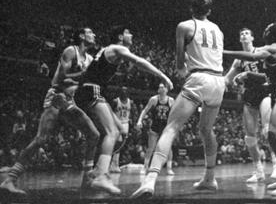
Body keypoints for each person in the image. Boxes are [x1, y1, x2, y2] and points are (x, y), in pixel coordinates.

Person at [132, 0, 225, 198]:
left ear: (191, 9)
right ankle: (210, 178)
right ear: (209, 11)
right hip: (219, 81)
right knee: (206, 130)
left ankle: (150, 180)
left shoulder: (184, 26)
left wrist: (183, 71)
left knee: (171, 127)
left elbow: (179, 62)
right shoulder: (218, 29)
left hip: (199, 78)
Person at [0, 27, 101, 195]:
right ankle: (10, 180)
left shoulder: (90, 58)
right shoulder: (71, 51)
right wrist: (84, 75)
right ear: (82, 36)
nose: (94, 35)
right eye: (90, 32)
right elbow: (60, 78)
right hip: (57, 96)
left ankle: (87, 180)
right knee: (41, 139)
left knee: (94, 134)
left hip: (70, 100)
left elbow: (83, 82)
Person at [75, 25, 173, 195]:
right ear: (120, 37)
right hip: (92, 89)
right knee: (112, 132)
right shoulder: (117, 48)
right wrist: (163, 76)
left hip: (92, 90)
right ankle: (101, 175)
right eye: (128, 33)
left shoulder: (109, 51)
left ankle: (92, 174)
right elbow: (139, 62)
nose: (132, 34)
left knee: (120, 132)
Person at [223, 22, 276, 196]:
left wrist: (224, 52)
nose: (264, 31)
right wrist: (245, 75)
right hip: (274, 93)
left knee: (273, 132)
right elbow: (267, 75)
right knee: (271, 135)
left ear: (272, 34)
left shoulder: (272, 48)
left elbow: (253, 57)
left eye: (267, 30)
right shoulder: (271, 53)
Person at [224, 27, 276, 184]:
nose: (244, 35)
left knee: (267, 129)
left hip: (265, 91)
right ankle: (258, 171)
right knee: (249, 137)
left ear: (252, 38)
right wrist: (217, 81)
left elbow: (271, 72)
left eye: (247, 33)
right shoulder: (239, 60)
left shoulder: (261, 52)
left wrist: (248, 75)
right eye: (241, 34)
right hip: (249, 94)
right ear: (240, 39)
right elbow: (227, 78)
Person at [136, 83, 175, 175]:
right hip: (155, 126)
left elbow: (175, 114)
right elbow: (145, 110)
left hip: (166, 127)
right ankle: (145, 167)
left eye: (163, 87)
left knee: (168, 148)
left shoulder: (171, 100)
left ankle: (169, 168)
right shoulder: (154, 99)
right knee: (151, 148)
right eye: (159, 87)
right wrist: (139, 120)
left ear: (166, 90)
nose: (160, 89)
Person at [110, 87, 132, 173]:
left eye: (126, 90)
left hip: (126, 123)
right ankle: (112, 164)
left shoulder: (130, 102)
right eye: (122, 90)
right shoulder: (116, 101)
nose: (124, 92)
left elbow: (131, 113)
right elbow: (110, 112)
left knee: (121, 145)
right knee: (117, 143)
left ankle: (116, 164)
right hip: (117, 123)